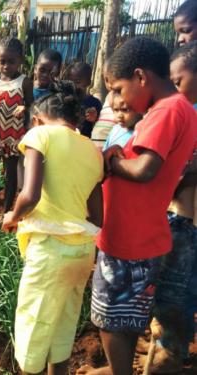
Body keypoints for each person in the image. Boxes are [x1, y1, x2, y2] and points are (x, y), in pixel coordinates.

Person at [78, 37, 197, 375]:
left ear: (141, 77)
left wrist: (110, 162)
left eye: (117, 88)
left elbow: (145, 170)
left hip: (127, 240)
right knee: (126, 319)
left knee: (109, 322)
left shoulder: (167, 109)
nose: (114, 99)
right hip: (142, 234)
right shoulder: (178, 109)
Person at [2, 81, 103, 375]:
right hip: (83, 252)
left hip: (50, 250)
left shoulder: (39, 134)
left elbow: (30, 195)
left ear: (37, 119)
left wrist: (13, 216)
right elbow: (98, 218)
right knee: (63, 323)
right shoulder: (93, 150)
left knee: (33, 324)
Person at [136, 40, 197, 374]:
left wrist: (184, 169)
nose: (174, 90)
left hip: (190, 219)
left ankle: (171, 354)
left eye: (179, 82)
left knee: (179, 291)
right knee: (164, 285)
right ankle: (164, 344)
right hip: (173, 213)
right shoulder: (176, 112)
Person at [0, 37, 33, 220]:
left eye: (12, 62)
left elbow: (31, 106)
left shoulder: (24, 82)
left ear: (20, 60)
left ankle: (6, 214)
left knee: (10, 176)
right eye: (2, 61)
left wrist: (24, 108)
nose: (6, 66)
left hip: (11, 135)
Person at [64, 62, 103, 138]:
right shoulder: (64, 99)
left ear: (89, 82)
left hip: (84, 143)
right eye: (70, 82)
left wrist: (94, 119)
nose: (73, 86)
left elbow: (100, 128)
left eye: (77, 82)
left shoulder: (95, 103)